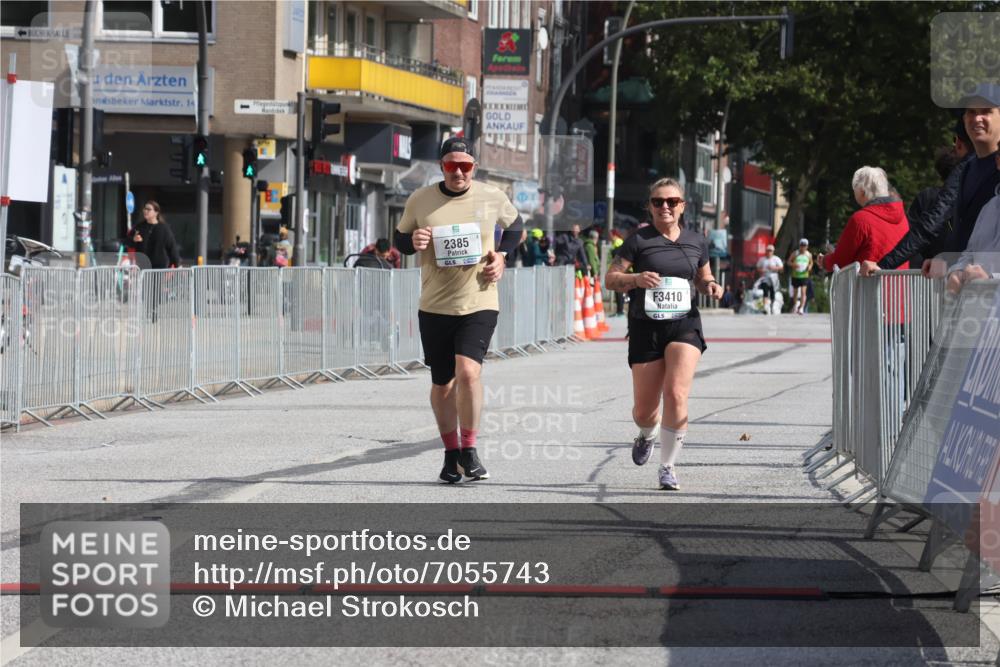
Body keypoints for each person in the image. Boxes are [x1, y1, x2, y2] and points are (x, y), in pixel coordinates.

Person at [393, 137, 522, 484]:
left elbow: (516, 227)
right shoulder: (421, 199)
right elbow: (400, 238)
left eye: (466, 166)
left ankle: (470, 448)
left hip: (479, 299)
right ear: (442, 166)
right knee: (443, 383)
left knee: (468, 373)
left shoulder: (491, 196)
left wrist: (502, 255)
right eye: (452, 165)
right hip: (435, 304)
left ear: (474, 168)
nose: (459, 172)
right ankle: (451, 455)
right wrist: (414, 241)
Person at [605, 177, 723, 490]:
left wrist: (710, 285)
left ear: (683, 206)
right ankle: (647, 433)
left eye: (672, 201)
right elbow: (611, 278)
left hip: (684, 324)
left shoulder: (697, 240)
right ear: (650, 206)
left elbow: (703, 277)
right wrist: (635, 279)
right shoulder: (638, 240)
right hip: (646, 326)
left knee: (676, 394)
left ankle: (668, 467)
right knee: (645, 410)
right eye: (658, 202)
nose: (665, 207)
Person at [860, 123, 973, 277]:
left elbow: (925, 230)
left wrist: (884, 265)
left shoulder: (932, 196)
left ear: (959, 144)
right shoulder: (972, 176)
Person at [819, 166, 910, 272]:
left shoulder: (861, 219)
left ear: (862, 192)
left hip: (870, 286)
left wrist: (824, 261)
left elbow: (840, 261)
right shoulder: (903, 218)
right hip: (900, 286)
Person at [946, 147, 1000, 293]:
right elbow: (970, 252)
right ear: (998, 162)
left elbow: (986, 278)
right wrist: (957, 271)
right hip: (981, 309)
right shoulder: (988, 207)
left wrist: (990, 279)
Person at [128, 200, 181, 269]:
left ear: (156, 212)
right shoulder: (139, 227)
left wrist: (177, 264)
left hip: (159, 268)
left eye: (148, 209)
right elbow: (128, 242)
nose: (145, 211)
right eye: (144, 209)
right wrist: (133, 239)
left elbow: (172, 247)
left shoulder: (164, 228)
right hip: (142, 266)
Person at [755, 244, 783, 314]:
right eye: (768, 250)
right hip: (765, 278)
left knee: (772, 292)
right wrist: (761, 270)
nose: (769, 252)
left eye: (770, 251)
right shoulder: (762, 259)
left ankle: (772, 306)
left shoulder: (776, 259)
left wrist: (774, 268)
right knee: (765, 292)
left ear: (773, 251)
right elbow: (758, 267)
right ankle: (765, 307)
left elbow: (781, 267)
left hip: (774, 278)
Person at [788, 238, 814, 315]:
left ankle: (801, 307)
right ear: (799, 246)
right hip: (796, 275)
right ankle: (795, 305)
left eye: (804, 245)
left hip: (804, 275)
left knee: (803, 292)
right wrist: (793, 265)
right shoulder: (795, 253)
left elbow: (811, 262)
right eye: (802, 245)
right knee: (795, 292)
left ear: (807, 246)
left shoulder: (809, 254)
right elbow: (788, 262)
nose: (803, 247)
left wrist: (810, 267)